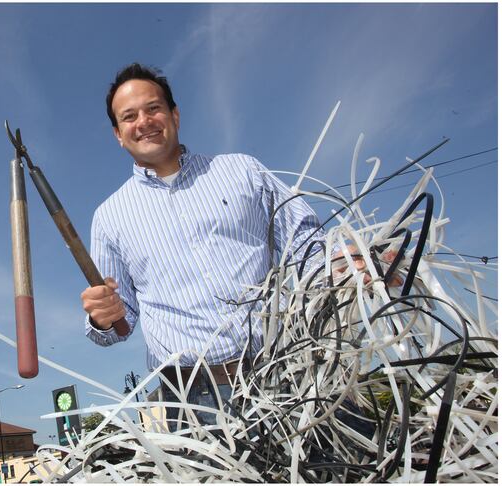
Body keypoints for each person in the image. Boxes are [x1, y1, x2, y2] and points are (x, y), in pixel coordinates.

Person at [80, 63, 326, 427]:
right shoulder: (109, 217)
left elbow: (306, 240)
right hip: (194, 403)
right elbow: (122, 323)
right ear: (118, 134)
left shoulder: (242, 170)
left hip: (286, 372)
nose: (144, 121)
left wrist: (343, 265)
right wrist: (102, 317)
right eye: (129, 116)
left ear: (174, 114)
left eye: (153, 108)